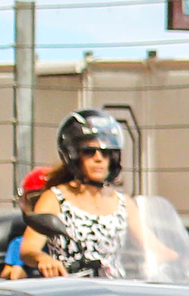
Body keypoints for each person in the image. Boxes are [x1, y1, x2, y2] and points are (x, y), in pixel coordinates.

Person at [29, 109, 128, 277]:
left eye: (105, 152)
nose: (98, 158)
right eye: (89, 151)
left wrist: (184, 260)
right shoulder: (55, 198)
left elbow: (154, 247)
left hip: (117, 291)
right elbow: (29, 248)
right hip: (72, 289)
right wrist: (43, 259)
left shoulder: (124, 202)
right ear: (74, 155)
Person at [0, 167, 54, 280]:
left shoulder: (75, 240)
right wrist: (18, 270)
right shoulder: (19, 244)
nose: (42, 209)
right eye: (35, 203)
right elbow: (8, 273)